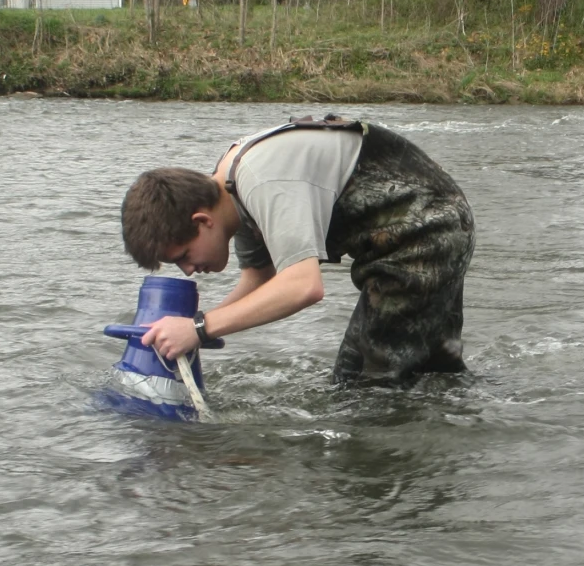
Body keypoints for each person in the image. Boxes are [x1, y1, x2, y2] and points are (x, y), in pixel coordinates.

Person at [121, 113, 473, 384]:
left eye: (183, 256)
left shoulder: (260, 179)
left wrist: (199, 327)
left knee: (368, 387)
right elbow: (261, 277)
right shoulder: (228, 191)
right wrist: (193, 330)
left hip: (426, 232)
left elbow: (303, 286)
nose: (188, 269)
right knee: (424, 373)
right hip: (418, 235)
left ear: (202, 221)